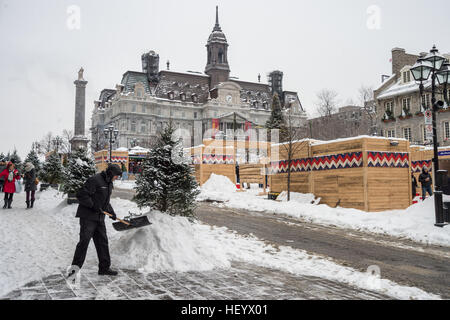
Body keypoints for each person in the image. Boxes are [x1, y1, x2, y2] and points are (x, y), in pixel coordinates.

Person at [70, 164, 122, 276]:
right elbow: (81, 195)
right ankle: (73, 272)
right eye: (116, 176)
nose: (116, 178)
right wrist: (92, 205)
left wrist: (111, 212)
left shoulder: (109, 183)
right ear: (111, 173)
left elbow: (105, 201)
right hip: (88, 217)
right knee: (84, 243)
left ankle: (104, 268)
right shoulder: (94, 180)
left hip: (99, 218)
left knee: (102, 243)